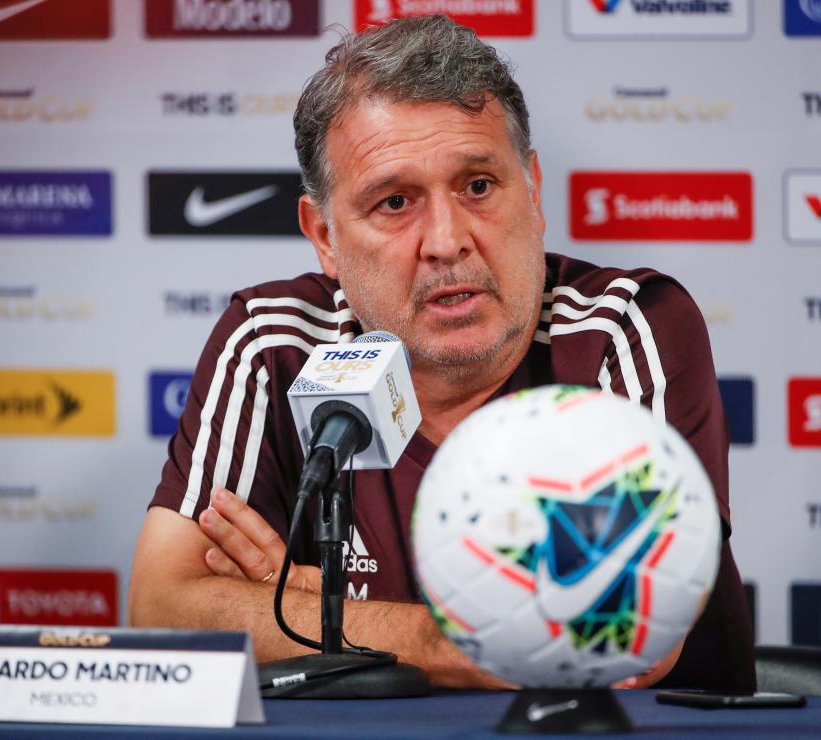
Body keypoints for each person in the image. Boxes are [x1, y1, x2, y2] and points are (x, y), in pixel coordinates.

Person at [129, 14, 755, 692]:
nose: (447, 240)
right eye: (395, 201)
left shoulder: (620, 327)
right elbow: (162, 613)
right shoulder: (274, 341)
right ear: (325, 235)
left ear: (534, 189)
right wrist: (454, 633)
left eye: (479, 186)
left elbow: (622, 634)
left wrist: (335, 617)